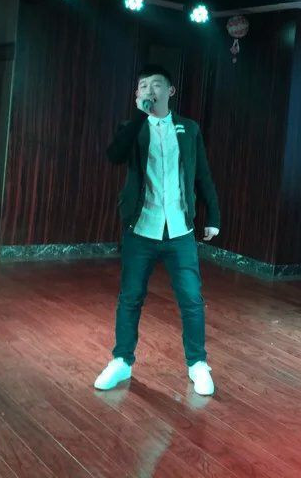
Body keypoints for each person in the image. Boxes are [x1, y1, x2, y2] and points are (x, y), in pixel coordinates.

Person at [94, 64, 220, 396]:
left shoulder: (188, 128)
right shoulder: (132, 127)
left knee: (191, 299)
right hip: (141, 229)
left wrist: (213, 216)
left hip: (180, 230)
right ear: (137, 94)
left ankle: (198, 364)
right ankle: (122, 360)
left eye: (157, 85)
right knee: (130, 297)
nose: (150, 90)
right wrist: (139, 116)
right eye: (144, 86)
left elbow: (202, 174)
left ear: (170, 91)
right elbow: (114, 156)